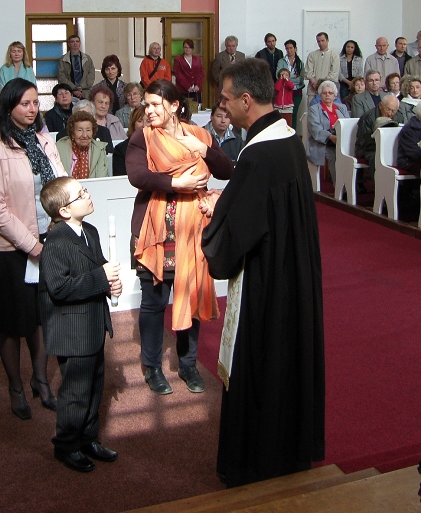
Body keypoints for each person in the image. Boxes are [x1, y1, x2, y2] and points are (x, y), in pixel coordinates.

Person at [200, 57, 324, 488]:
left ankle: (255, 461)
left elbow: (234, 236)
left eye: (227, 99)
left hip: (266, 282)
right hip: (293, 273)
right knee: (287, 359)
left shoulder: (257, 155)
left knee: (262, 361)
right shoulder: (287, 138)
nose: (224, 106)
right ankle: (288, 450)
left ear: (247, 100)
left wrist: (214, 217)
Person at [126, 79, 233, 396]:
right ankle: (152, 368)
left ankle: (188, 366)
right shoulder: (141, 138)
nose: (149, 110)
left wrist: (206, 151)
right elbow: (138, 176)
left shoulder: (199, 134)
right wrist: (178, 183)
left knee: (191, 297)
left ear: (174, 106)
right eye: (147, 104)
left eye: (156, 104)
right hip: (155, 230)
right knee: (154, 303)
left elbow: (226, 170)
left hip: (194, 231)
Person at [0, 78, 65, 422]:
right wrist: (31, 245)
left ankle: (40, 380)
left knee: (42, 316)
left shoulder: (45, 140)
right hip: (10, 249)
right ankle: (15, 387)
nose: (31, 110)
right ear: (8, 106)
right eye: (24, 104)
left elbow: (60, 185)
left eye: (34, 103)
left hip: (49, 240)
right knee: (11, 323)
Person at [37, 177, 122, 473]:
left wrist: (110, 284)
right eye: (80, 194)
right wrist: (101, 277)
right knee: (75, 391)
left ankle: (88, 437)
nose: (88, 195)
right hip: (72, 330)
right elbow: (59, 289)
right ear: (63, 211)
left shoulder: (91, 231)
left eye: (84, 190)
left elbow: (97, 267)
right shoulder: (56, 243)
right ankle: (67, 444)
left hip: (92, 323)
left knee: (95, 384)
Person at [306, 80, 346, 179]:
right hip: (325, 142)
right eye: (324, 93)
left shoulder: (342, 107)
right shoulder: (314, 109)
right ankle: (340, 188)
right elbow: (316, 129)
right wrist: (330, 136)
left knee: (350, 157)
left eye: (330, 93)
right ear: (320, 95)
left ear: (334, 95)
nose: (327, 95)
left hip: (341, 140)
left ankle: (352, 185)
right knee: (335, 156)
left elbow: (347, 124)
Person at [56, 111, 108, 179]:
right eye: (80, 130)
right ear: (72, 133)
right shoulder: (59, 148)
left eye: (88, 130)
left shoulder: (99, 149)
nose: (84, 135)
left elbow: (101, 179)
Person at [354, 94, 400, 168]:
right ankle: (378, 179)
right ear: (381, 105)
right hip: (368, 149)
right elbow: (365, 142)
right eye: (388, 109)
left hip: (388, 147)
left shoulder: (398, 117)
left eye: (393, 111)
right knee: (377, 157)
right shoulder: (368, 117)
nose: (390, 113)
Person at [275, 39, 305, 125]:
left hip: (296, 90)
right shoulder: (281, 61)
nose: (289, 50)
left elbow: (300, 78)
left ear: (295, 48)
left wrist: (287, 77)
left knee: (294, 114)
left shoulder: (300, 63)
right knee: (283, 116)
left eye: (291, 48)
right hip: (284, 91)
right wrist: (293, 76)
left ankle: (293, 134)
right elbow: (278, 75)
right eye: (287, 48)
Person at [57, 34, 95, 100]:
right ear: (69, 44)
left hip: (85, 92)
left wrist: (81, 87)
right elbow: (61, 77)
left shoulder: (87, 59)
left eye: (77, 41)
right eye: (72, 42)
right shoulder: (63, 59)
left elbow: (91, 75)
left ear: (80, 43)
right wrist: (74, 88)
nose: (75, 43)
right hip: (69, 92)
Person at [305, 32, 339, 104]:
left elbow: (334, 73)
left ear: (327, 40)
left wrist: (322, 85)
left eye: (323, 41)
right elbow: (308, 71)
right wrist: (314, 83)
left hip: (328, 91)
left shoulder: (334, 55)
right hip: (313, 90)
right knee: (312, 111)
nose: (320, 43)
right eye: (318, 41)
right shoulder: (312, 55)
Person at [112, 107, 146, 176]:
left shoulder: (159, 146)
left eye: (148, 121)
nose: (144, 125)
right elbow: (120, 179)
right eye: (140, 121)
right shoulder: (120, 149)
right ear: (133, 124)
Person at [173, 39, 205, 107]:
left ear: (192, 48)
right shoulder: (178, 59)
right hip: (183, 90)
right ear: (183, 48)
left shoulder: (197, 59)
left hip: (196, 90)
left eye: (189, 47)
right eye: (185, 47)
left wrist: (198, 85)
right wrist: (187, 86)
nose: (187, 49)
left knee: (197, 108)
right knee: (184, 109)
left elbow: (201, 73)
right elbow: (178, 74)